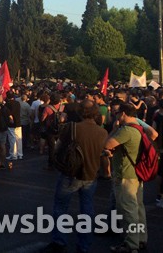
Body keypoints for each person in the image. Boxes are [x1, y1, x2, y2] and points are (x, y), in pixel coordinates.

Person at [42, 101, 108, 253]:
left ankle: (59, 241)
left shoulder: (72, 128)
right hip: (91, 174)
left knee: (61, 207)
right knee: (87, 210)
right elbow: (103, 154)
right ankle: (84, 245)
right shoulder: (102, 132)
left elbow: (58, 147)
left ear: (80, 112)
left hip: (70, 173)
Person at [104, 102, 149, 253]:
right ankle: (141, 239)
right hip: (136, 174)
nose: (115, 115)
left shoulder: (126, 130)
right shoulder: (139, 127)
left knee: (128, 210)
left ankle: (131, 244)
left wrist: (114, 130)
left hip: (126, 175)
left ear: (123, 113)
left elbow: (107, 144)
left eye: (117, 113)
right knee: (138, 209)